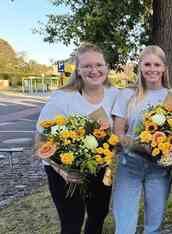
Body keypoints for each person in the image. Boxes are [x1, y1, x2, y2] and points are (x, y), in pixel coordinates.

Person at [36, 42, 119, 234]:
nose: (94, 70)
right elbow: (40, 140)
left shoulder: (115, 95)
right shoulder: (62, 98)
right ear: (78, 70)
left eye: (99, 65)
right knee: (72, 222)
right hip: (64, 170)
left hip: (100, 168)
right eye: (87, 66)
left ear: (106, 67)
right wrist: (63, 170)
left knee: (98, 215)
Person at [112, 45, 172, 234]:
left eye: (157, 64)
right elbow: (117, 132)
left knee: (154, 225)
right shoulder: (127, 95)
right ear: (140, 67)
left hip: (159, 168)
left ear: (164, 68)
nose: (152, 69)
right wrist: (136, 145)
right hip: (130, 164)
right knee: (125, 226)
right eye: (147, 64)